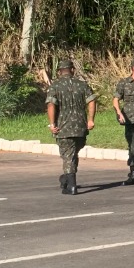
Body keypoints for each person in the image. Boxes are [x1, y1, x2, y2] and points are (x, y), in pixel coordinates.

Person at [46, 58, 95, 195]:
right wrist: (90, 120)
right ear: (72, 70)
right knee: (73, 154)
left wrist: (52, 124)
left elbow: (51, 105)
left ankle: (71, 185)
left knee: (68, 156)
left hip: (63, 127)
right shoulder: (82, 85)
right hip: (80, 127)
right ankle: (66, 179)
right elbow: (91, 101)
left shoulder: (55, 86)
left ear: (59, 72)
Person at [112, 58, 134, 185]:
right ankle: (133, 172)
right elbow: (116, 99)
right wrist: (118, 112)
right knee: (133, 147)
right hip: (131, 120)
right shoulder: (124, 83)